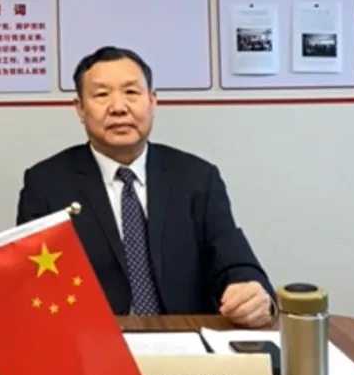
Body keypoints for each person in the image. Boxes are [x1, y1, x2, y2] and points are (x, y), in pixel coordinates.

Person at [15, 46, 276, 328]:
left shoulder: (198, 178)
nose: (118, 107)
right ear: (80, 108)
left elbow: (234, 261)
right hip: (92, 340)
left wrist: (251, 292)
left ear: (152, 102)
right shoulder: (46, 184)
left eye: (131, 92)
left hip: (184, 338)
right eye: (101, 95)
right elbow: (31, 283)